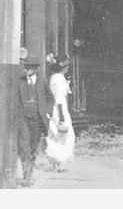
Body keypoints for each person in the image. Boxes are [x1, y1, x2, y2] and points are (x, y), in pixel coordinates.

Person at [16, 55, 50, 186]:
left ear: (36, 69)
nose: (26, 70)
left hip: (37, 119)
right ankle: (27, 176)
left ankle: (30, 173)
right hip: (23, 119)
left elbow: (51, 98)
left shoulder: (43, 82)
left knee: (33, 148)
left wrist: (47, 111)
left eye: (29, 68)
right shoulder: (20, 81)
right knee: (24, 147)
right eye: (26, 67)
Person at [45, 54, 75, 172]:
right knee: (65, 136)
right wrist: (62, 117)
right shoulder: (59, 79)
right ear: (63, 67)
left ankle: (54, 163)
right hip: (60, 110)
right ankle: (57, 163)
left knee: (54, 135)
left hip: (54, 110)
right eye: (66, 66)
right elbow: (59, 98)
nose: (68, 68)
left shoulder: (54, 77)